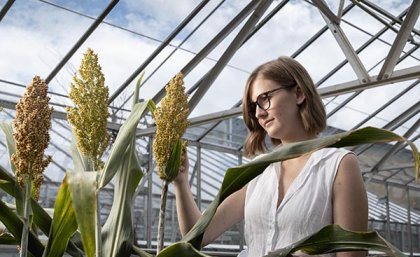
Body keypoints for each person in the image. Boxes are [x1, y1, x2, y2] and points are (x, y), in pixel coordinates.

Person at [174, 56, 368, 257]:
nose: (258, 113)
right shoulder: (257, 171)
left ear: (299, 93)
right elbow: (198, 235)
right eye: (253, 106)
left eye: (264, 99)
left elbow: (351, 253)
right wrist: (181, 183)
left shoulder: (338, 165)